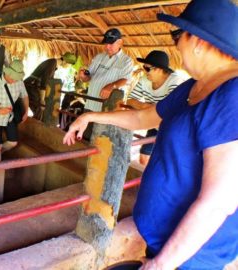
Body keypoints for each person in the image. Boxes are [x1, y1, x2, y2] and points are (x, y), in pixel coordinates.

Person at [63, 0, 238, 269]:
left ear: (199, 42)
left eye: (178, 36)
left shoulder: (231, 97)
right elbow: (143, 117)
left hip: (191, 258)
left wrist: (162, 265)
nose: (176, 45)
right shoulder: (194, 87)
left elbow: (218, 200)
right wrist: (90, 116)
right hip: (165, 244)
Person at [125, 50, 187, 165]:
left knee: (166, 162)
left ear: (159, 69)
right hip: (155, 123)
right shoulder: (145, 80)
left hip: (173, 127)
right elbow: (130, 100)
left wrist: (149, 109)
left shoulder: (175, 81)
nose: (145, 71)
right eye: (144, 67)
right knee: (143, 158)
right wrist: (147, 106)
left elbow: (170, 110)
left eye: (147, 68)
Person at [79, 28, 134, 113]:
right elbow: (88, 78)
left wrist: (112, 86)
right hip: (89, 105)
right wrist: (83, 76)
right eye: (106, 43)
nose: (107, 47)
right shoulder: (99, 57)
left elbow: (125, 80)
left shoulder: (126, 61)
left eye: (111, 43)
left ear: (120, 42)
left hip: (105, 110)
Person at [24, 52, 76, 120]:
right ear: (66, 61)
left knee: (40, 110)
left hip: (32, 86)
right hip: (30, 86)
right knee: (40, 108)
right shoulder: (52, 64)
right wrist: (42, 100)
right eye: (70, 65)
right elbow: (44, 83)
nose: (69, 66)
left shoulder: (53, 64)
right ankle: (35, 128)